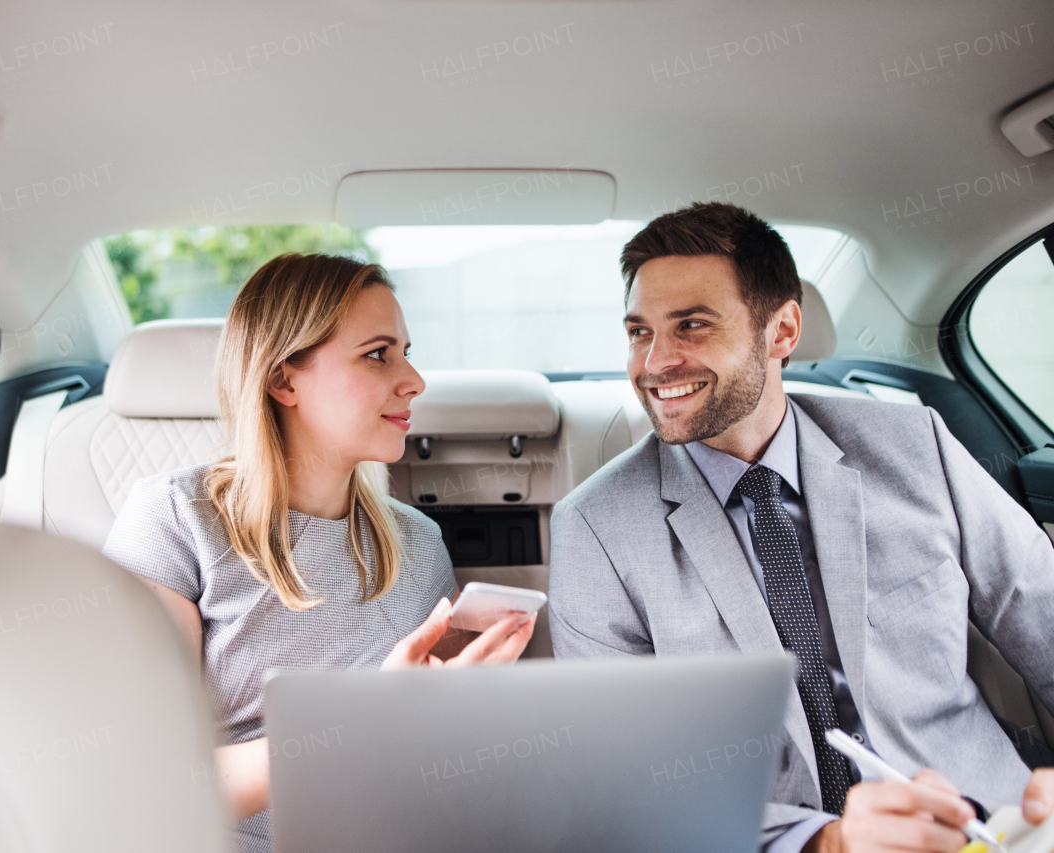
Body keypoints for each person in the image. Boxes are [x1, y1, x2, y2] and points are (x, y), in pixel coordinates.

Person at [547, 202, 1054, 853]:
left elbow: (1041, 610)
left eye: (692, 325)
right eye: (639, 332)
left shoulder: (914, 447)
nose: (656, 361)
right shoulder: (595, 527)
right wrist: (829, 841)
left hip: (993, 826)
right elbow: (625, 780)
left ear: (782, 329)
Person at [102, 253, 535, 853]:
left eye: (408, 351)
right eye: (377, 353)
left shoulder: (416, 541)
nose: (413, 380)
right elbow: (142, 788)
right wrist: (369, 719)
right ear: (284, 381)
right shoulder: (176, 520)